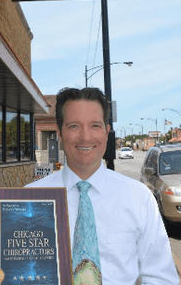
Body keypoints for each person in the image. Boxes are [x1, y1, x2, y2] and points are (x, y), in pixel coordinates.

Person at [26, 87, 179, 285]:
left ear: (107, 133)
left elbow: (161, 278)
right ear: (60, 133)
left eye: (95, 126)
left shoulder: (138, 197)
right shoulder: (29, 199)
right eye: (74, 126)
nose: (85, 137)